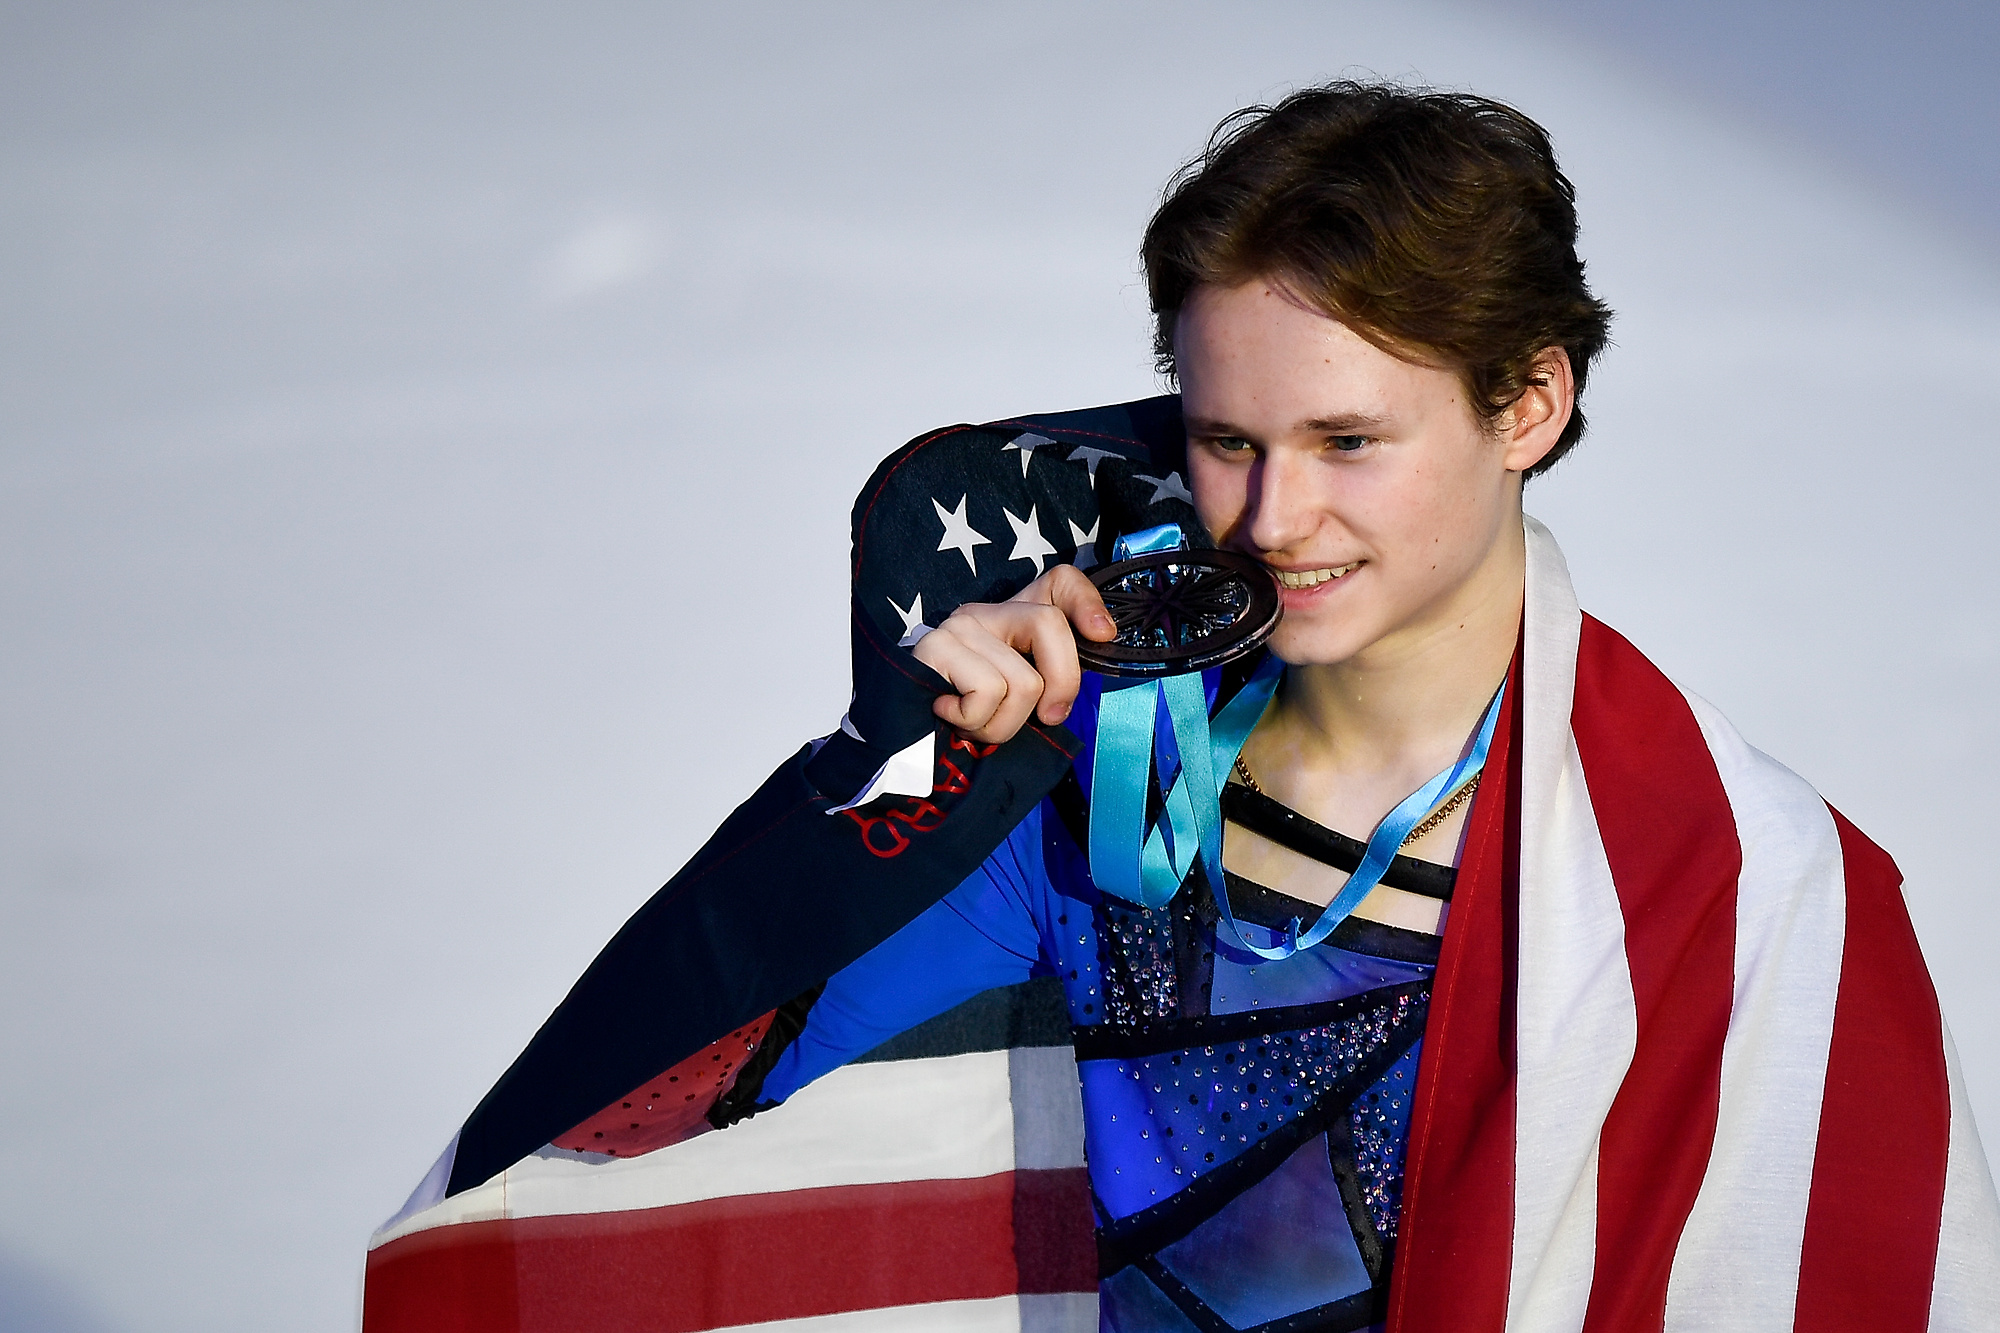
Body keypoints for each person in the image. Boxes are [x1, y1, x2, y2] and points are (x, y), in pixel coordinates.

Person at [365, 83, 2000, 1333]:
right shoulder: (1092, 788)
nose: (1274, 515)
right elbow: (670, 1108)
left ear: (1529, 403)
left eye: (1349, 441)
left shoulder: (1738, 889)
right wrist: (926, 761)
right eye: (1225, 439)